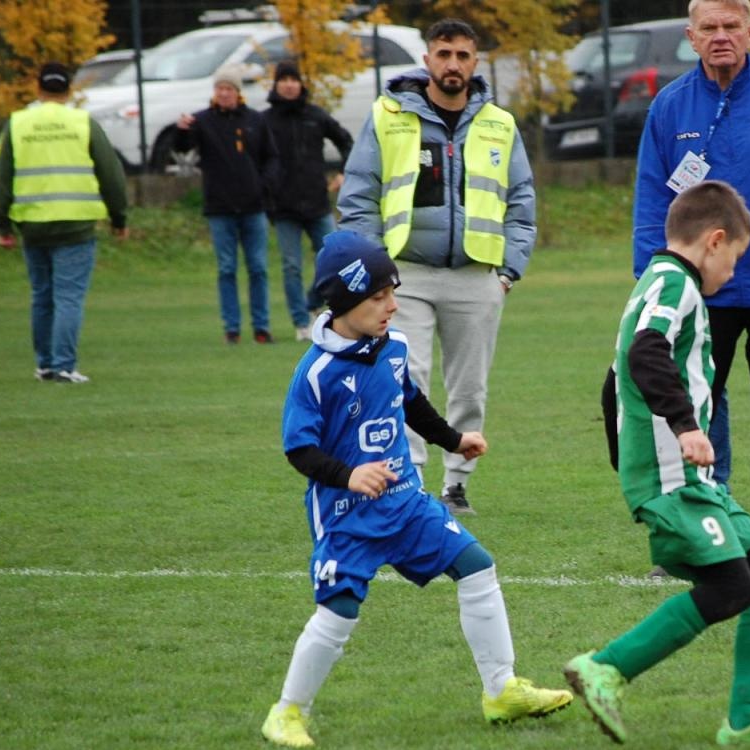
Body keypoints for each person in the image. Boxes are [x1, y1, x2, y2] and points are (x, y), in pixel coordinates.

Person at [262, 232, 572, 748]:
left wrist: (454, 439)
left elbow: (411, 402)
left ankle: (502, 691)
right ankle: (287, 712)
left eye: (393, 292)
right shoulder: (315, 372)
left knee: (477, 567)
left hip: (406, 504)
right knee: (338, 614)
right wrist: (349, 475)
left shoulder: (395, 346)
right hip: (347, 517)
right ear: (343, 302)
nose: (392, 305)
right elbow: (299, 449)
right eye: (378, 297)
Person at [565, 181, 750, 749]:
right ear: (714, 241)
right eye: (733, 260)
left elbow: (614, 384)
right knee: (731, 585)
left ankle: (747, 721)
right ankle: (605, 668)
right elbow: (643, 353)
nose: (732, 274)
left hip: (687, 477)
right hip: (673, 476)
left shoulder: (661, 285)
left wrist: (630, 459)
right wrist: (680, 433)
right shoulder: (673, 285)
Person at [631, 0, 750, 541]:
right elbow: (650, 197)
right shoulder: (669, 107)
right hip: (699, 288)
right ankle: (707, 513)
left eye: (731, 26)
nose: (720, 37)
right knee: (698, 402)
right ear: (691, 36)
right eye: (708, 28)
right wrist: (653, 273)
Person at [337, 17, 535, 517]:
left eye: (462, 55)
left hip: (477, 276)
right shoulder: (387, 115)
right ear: (427, 60)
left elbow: (522, 201)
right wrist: (375, 271)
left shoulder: (499, 123)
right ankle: (411, 483)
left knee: (470, 386)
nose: (452, 64)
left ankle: (457, 484)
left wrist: (508, 270)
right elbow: (358, 194)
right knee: (408, 377)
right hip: (407, 275)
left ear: (475, 62)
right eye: (443, 54)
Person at [0, 60, 128, 383]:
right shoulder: (82, 122)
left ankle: (45, 364)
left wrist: (1, 224)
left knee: (42, 295)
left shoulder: (19, 123)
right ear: (69, 90)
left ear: (38, 88)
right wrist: (119, 217)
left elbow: (1, 177)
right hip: (76, 224)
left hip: (33, 223)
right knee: (68, 296)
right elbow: (111, 174)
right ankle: (65, 365)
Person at [175, 65, 279, 344]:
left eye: (229, 88)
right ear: (214, 92)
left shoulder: (255, 120)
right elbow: (184, 148)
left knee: (258, 268)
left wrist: (263, 185)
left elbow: (272, 157)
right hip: (220, 208)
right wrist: (182, 130)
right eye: (220, 88)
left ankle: (261, 326)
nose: (224, 93)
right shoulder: (203, 121)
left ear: (237, 92)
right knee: (226, 269)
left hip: (253, 206)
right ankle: (231, 328)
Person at [263, 61, 355, 343]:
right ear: (276, 84)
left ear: (301, 84)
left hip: (316, 202)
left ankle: (314, 302)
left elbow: (346, 142)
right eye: (284, 79)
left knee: (334, 257)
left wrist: (344, 173)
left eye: (294, 79)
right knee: (291, 264)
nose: (289, 84)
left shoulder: (316, 116)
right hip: (283, 206)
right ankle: (302, 322)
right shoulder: (265, 120)